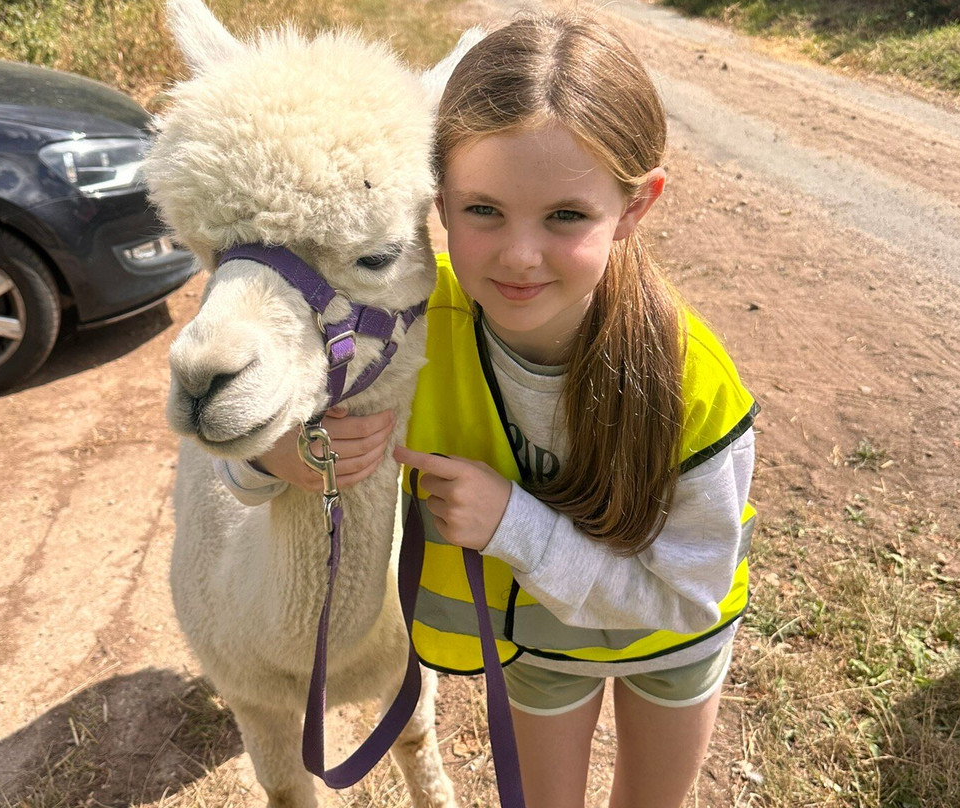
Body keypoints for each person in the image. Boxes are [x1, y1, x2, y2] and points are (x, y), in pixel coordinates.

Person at [216, 11, 757, 808]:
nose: (517, 255)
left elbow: (686, 594)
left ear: (636, 207)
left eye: (566, 216)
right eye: (483, 210)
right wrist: (274, 459)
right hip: (538, 642)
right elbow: (260, 415)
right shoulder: (401, 324)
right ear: (436, 202)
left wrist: (514, 526)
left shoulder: (694, 388)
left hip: (671, 644)